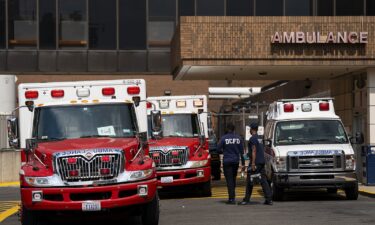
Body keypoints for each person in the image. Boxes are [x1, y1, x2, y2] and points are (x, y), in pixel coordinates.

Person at [239, 122, 273, 205]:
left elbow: (254, 150)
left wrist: (253, 163)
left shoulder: (252, 139)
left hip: (256, 162)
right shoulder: (260, 138)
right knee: (263, 181)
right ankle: (269, 199)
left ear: (251, 129)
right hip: (261, 161)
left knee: (249, 180)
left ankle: (246, 199)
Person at [217, 123, 245, 204]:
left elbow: (218, 149)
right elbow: (242, 152)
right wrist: (243, 164)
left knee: (229, 180)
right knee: (233, 179)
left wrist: (223, 151)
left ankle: (231, 198)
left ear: (227, 129)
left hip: (227, 161)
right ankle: (233, 196)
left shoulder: (223, 138)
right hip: (235, 161)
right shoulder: (238, 138)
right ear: (234, 130)